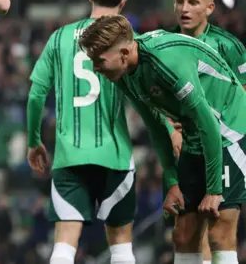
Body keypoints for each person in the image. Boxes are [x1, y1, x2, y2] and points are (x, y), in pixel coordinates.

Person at [79, 15, 246, 264]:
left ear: (124, 52)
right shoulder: (124, 74)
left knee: (219, 232)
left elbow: (210, 123)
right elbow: (156, 126)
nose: (95, 68)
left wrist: (213, 190)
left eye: (99, 60)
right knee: (182, 235)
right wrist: (172, 180)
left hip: (229, 129)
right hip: (195, 133)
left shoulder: (165, 63)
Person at [27, 0, 141, 264]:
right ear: (124, 1)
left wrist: (34, 140)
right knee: (121, 246)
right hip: (115, 155)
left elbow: (37, 94)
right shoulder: (132, 42)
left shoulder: (60, 38)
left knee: (64, 244)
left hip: (70, 155)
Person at [168, 0, 246, 264]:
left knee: (219, 234)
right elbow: (157, 96)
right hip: (191, 146)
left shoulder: (228, 46)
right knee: (184, 235)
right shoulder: (167, 43)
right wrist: (173, 130)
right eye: (179, 1)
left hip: (227, 144)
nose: (184, 8)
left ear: (210, 8)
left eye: (193, 2)